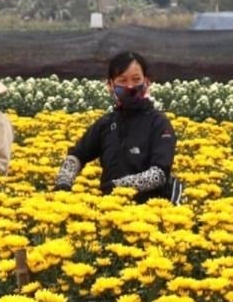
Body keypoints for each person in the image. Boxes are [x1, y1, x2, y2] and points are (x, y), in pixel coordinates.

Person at [54, 51, 176, 202]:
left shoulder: (159, 123)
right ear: (110, 85)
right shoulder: (106, 123)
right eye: (122, 80)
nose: (130, 86)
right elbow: (77, 155)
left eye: (136, 79)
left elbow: (159, 173)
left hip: (149, 212)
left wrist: (118, 187)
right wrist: (63, 183)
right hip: (109, 211)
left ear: (147, 82)